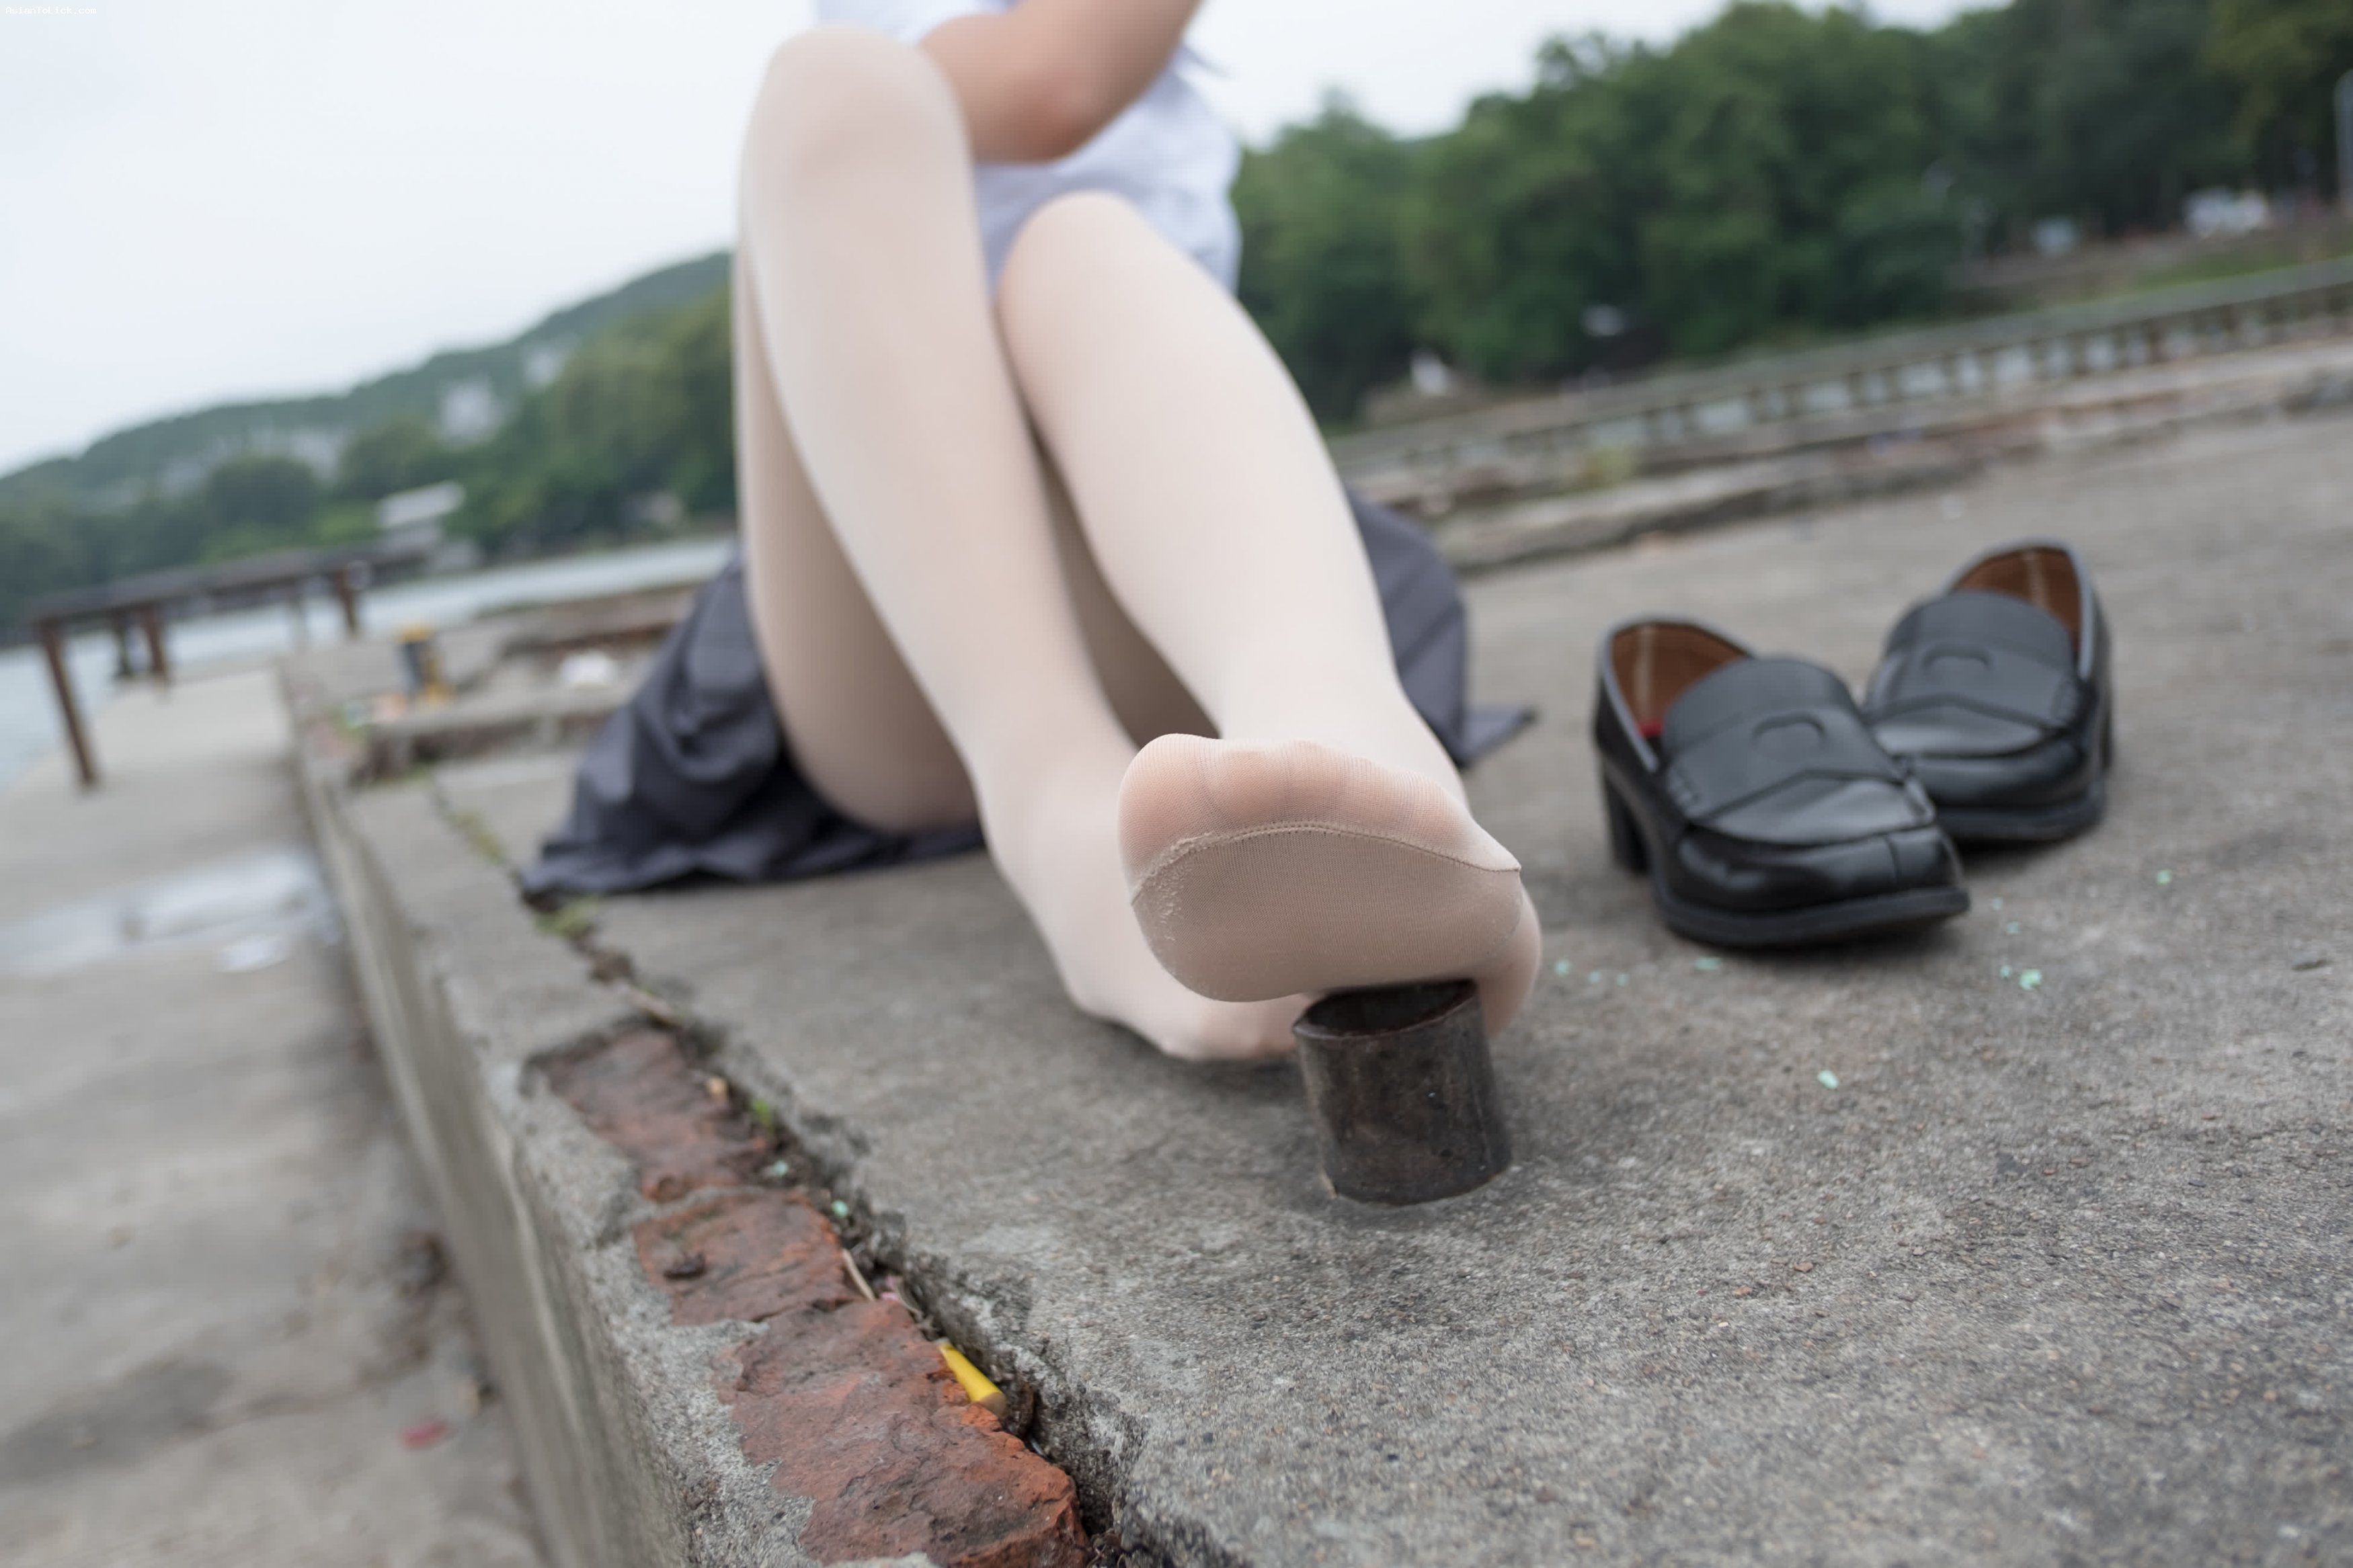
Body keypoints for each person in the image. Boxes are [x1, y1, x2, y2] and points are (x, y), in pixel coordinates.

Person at [730, 0, 1540, 1061]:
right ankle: (1060, 812)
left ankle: (1330, 723)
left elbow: (1051, 83)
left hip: (1167, 575)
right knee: (835, 85)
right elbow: (1047, 85)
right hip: (900, 626)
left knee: (1081, 239)